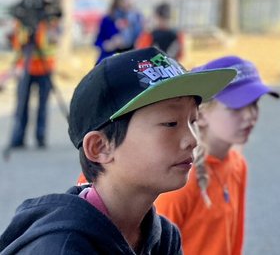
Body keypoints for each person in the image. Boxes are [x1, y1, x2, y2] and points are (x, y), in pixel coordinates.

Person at [0, 47, 234, 254]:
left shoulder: (164, 238)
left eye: (193, 122)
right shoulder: (62, 247)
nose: (192, 140)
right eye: (170, 123)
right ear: (100, 147)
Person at [154, 55, 280, 255]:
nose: (251, 116)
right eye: (237, 107)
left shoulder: (237, 164)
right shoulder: (179, 181)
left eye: (255, 103)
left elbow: (234, 240)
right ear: (201, 115)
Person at [7, 0, 59, 151]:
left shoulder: (50, 21)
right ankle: (18, 137)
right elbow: (18, 44)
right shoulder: (23, 22)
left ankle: (40, 137)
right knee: (22, 104)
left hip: (45, 68)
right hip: (26, 68)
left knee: (43, 105)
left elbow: (52, 42)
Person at [94, 0, 144, 64]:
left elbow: (143, 39)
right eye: (123, 0)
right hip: (110, 58)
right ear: (117, 2)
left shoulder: (137, 18)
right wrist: (109, 44)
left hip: (131, 58)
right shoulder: (108, 19)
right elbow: (97, 41)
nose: (127, 3)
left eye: (129, 0)